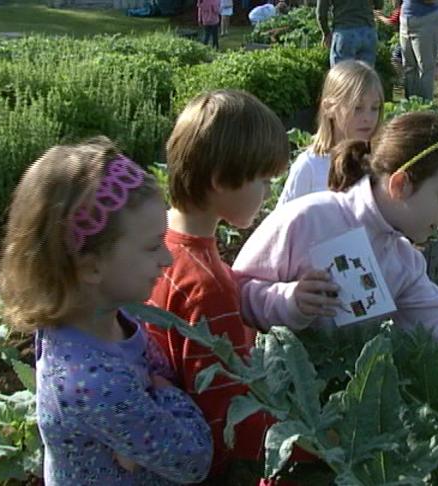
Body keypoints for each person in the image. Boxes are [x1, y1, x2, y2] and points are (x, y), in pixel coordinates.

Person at [233, 111, 438, 397]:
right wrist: (290, 301)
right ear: (400, 184)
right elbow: (236, 292)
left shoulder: (404, 261)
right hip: (269, 403)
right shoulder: (307, 218)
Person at [0, 137, 212, 484]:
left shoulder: (102, 316)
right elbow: (194, 460)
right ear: (91, 267)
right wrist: (166, 396)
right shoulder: (95, 386)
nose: (167, 259)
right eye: (153, 246)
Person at [145, 90, 290, 481]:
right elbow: (228, 418)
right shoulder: (207, 286)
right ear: (218, 180)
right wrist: (305, 446)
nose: (267, 192)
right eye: (262, 180)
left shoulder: (153, 246)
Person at [277, 60, 384, 206]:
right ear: (329, 108)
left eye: (375, 108)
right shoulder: (310, 166)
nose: (368, 118)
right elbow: (282, 221)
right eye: (357, 108)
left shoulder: (377, 162)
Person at [399, 0, 438, 100]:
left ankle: (425, 108)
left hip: (427, 20)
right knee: (408, 66)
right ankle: (410, 106)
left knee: (425, 67)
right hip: (406, 20)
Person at [317, 0, 383, 67]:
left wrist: (326, 33)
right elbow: (379, 4)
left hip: (344, 30)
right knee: (365, 75)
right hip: (368, 30)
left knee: (342, 75)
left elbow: (321, 13)